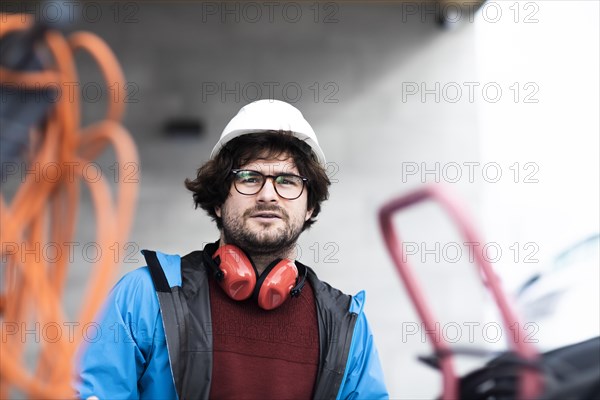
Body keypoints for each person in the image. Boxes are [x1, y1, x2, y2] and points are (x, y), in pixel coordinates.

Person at [75, 99, 389, 399]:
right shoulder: (146, 298)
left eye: (287, 180)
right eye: (249, 178)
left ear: (309, 207)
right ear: (219, 201)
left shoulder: (345, 325)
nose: (268, 195)